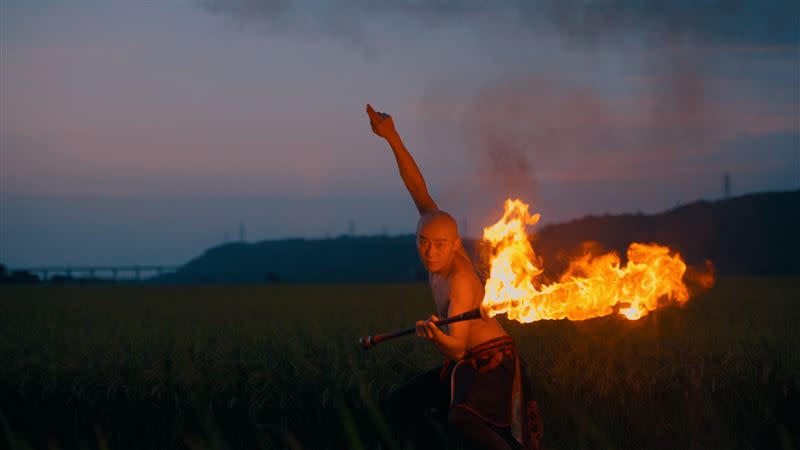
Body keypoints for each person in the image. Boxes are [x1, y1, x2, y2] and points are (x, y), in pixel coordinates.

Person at [366, 104, 542, 450]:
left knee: (462, 419)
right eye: (423, 242)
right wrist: (392, 137)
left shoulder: (460, 280)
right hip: (463, 361)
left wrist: (434, 335)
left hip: (491, 359)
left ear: (455, 245)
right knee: (400, 403)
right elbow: (417, 189)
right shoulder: (437, 228)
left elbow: (459, 349)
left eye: (439, 245)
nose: (430, 251)